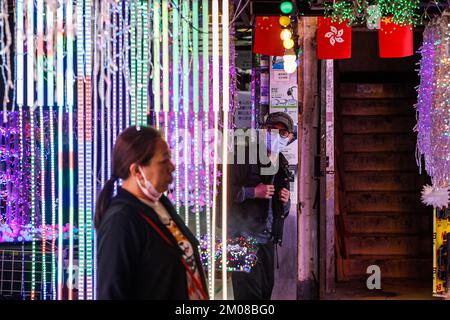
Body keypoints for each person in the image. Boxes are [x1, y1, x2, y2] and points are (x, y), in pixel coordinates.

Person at [95, 126, 208, 300]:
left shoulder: (161, 203)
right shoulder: (121, 221)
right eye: (164, 161)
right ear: (137, 171)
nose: (172, 167)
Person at [228, 112, 294, 300]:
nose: (276, 135)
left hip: (268, 241)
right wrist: (252, 192)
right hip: (242, 239)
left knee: (265, 293)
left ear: (289, 137)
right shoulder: (243, 156)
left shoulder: (282, 163)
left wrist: (285, 201)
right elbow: (222, 192)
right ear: (263, 131)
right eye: (272, 129)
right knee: (248, 298)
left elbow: (284, 210)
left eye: (283, 132)